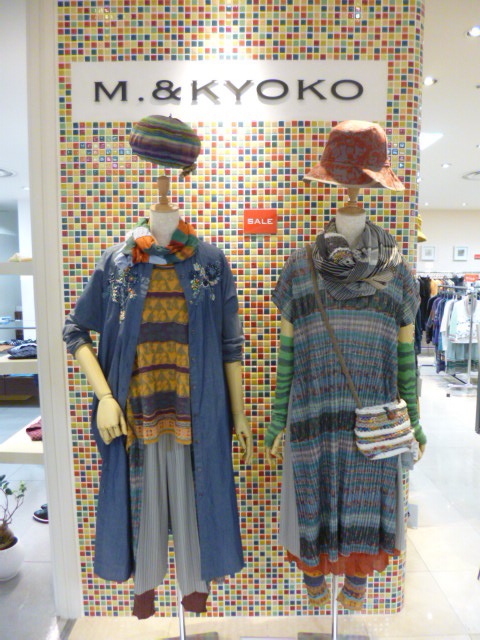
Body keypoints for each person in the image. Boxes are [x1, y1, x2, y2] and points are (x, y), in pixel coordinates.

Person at [63, 115, 252, 619]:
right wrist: (105, 397)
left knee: (195, 504)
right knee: (140, 505)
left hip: (198, 414)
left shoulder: (210, 262)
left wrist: (239, 415)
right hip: (134, 413)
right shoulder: (118, 262)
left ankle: (194, 590)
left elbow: (230, 344)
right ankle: (144, 587)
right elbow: (75, 330)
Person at [265, 120, 426, 611]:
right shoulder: (300, 268)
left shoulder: (399, 273)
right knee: (312, 509)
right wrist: (277, 420)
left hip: (372, 431)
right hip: (314, 423)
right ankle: (319, 585)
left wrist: (415, 424)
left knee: (363, 517)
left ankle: (355, 587)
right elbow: (287, 357)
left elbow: (406, 361)